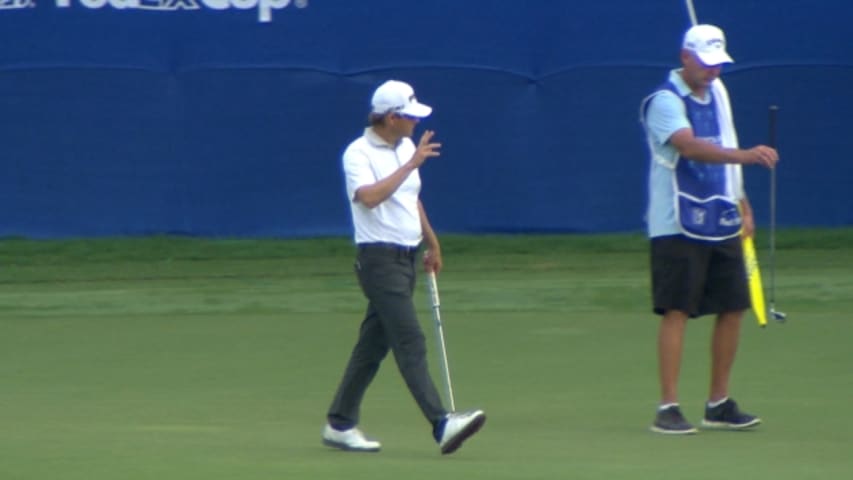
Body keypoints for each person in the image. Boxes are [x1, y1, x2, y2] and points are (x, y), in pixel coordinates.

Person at [322, 80, 486, 453]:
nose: (415, 121)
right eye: (410, 116)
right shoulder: (358, 153)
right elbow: (368, 199)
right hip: (378, 262)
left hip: (408, 258)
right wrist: (411, 163)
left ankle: (339, 423)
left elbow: (412, 197)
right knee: (410, 340)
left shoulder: (407, 145)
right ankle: (441, 423)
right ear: (391, 118)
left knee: (371, 348)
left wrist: (432, 240)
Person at [639, 25, 779, 434]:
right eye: (706, 62)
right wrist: (747, 157)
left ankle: (717, 403)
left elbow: (726, 139)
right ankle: (668, 407)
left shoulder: (719, 94)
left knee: (733, 306)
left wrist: (743, 203)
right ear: (685, 57)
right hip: (674, 223)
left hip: (722, 217)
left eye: (719, 63)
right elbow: (690, 146)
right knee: (677, 310)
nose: (713, 71)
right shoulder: (663, 101)